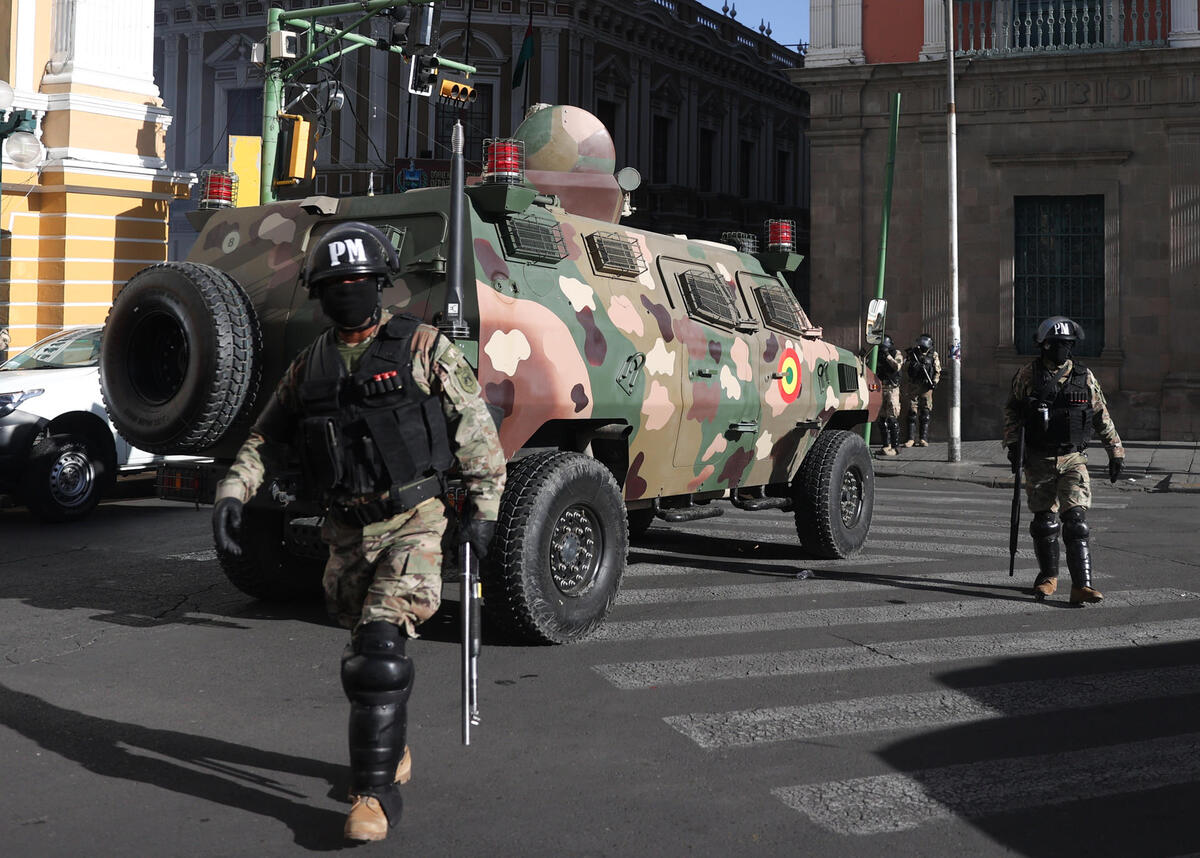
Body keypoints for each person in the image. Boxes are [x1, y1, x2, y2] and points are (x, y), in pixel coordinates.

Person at [210, 221, 507, 842]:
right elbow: (267, 436)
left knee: (378, 654)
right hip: (346, 530)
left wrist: (481, 513)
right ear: (320, 292)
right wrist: (234, 493)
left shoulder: (425, 348)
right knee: (362, 657)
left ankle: (374, 796)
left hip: (415, 520)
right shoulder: (310, 365)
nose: (347, 292)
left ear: (380, 285)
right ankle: (390, 747)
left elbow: (474, 430)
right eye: (335, 284)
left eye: (358, 282)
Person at [1002, 316, 1124, 605]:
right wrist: (1011, 445)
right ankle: (1048, 577)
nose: (1061, 350)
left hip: (1072, 458)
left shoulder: (1084, 377)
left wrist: (1115, 451)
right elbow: (1012, 411)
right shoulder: (1027, 375)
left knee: (1076, 521)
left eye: (1066, 345)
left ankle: (1082, 585)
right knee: (1045, 522)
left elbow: (1100, 415)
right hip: (1039, 458)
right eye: (1056, 345)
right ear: (1044, 346)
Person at [903, 333, 941, 447]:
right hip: (914, 385)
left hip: (926, 387)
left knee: (925, 412)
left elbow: (937, 370)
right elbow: (904, 367)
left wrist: (934, 382)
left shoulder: (933, 355)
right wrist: (913, 365)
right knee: (912, 412)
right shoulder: (913, 353)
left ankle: (923, 438)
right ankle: (911, 439)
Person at [874, 334, 904, 456]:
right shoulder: (877, 354)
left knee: (892, 418)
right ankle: (886, 446)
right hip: (880, 388)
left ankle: (896, 448)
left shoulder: (896, 353)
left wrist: (887, 356)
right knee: (881, 419)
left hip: (892, 389)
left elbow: (897, 366)